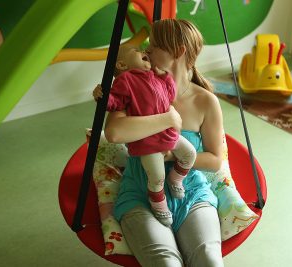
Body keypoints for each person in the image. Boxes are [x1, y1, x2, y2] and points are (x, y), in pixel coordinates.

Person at [104, 19, 224, 267]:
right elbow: (114, 133)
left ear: (178, 51)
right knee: (165, 263)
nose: (147, 50)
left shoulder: (205, 101)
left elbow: (214, 160)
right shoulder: (134, 88)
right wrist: (168, 118)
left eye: (155, 46)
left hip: (190, 192)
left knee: (209, 259)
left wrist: (171, 157)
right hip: (140, 192)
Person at [94, 44, 197, 226]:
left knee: (190, 154)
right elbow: (115, 102)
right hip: (147, 143)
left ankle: (176, 179)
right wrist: (102, 97)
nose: (144, 52)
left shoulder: (156, 77)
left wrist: (165, 76)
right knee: (156, 176)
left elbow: (170, 95)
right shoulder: (126, 80)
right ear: (122, 65)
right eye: (137, 51)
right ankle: (158, 202)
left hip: (167, 134)